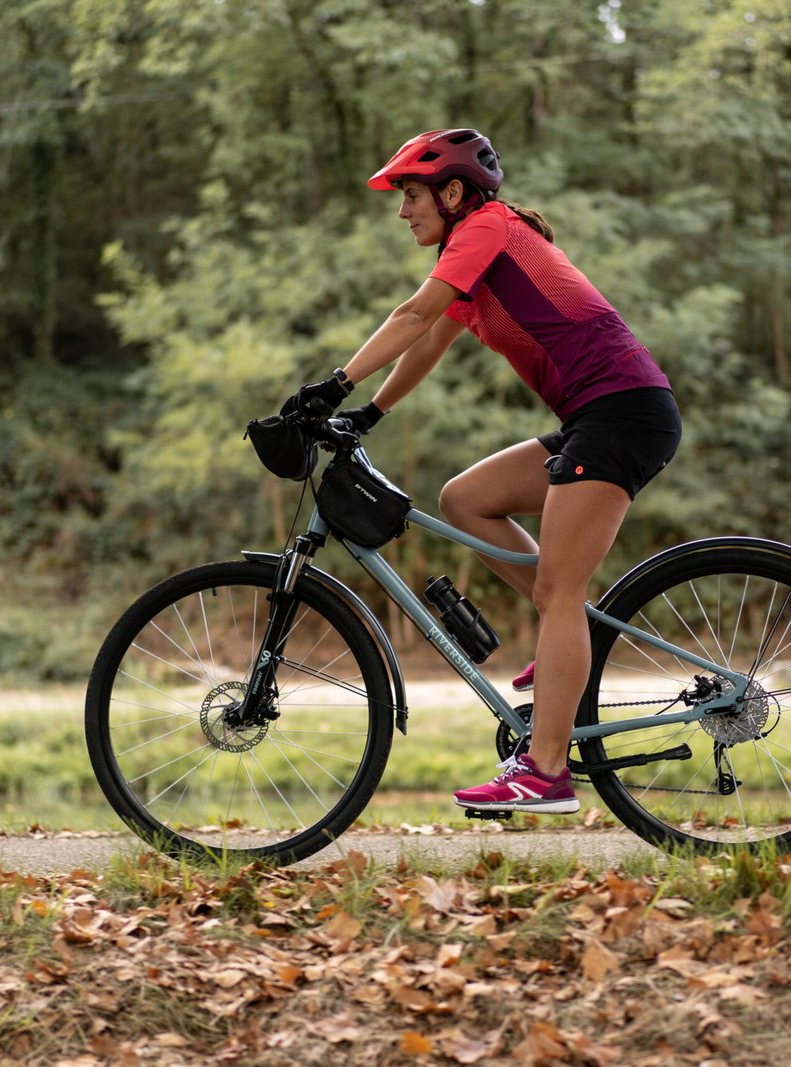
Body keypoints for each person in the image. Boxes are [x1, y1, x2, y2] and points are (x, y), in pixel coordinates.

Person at [283, 128, 680, 815]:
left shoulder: (489, 227)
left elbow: (412, 314)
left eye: (410, 196)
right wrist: (367, 412)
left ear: (455, 193)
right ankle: (570, 641)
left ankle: (545, 773)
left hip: (623, 413)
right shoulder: (475, 254)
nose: (403, 211)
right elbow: (431, 337)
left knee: (559, 591)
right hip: (598, 414)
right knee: (466, 498)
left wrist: (334, 384)